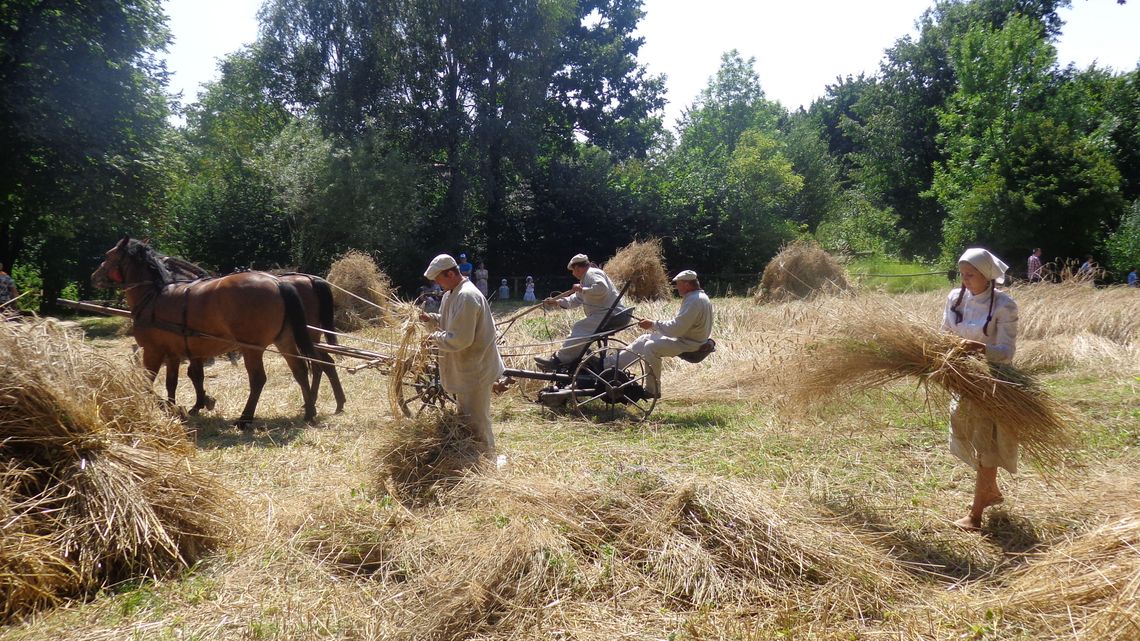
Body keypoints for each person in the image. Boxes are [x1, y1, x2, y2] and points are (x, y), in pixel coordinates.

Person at [941, 248, 1019, 532]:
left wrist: (979, 349)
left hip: (992, 381)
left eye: (970, 274)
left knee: (986, 444)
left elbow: (1006, 352)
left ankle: (975, 516)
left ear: (986, 275)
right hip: (964, 379)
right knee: (967, 437)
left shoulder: (1004, 305)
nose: (964, 280)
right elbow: (944, 334)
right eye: (962, 274)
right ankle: (990, 491)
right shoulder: (954, 298)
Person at [419, 254, 505, 454]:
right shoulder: (452, 293)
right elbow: (449, 320)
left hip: (476, 366)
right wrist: (430, 318)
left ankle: (487, 458)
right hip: (467, 365)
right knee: (467, 414)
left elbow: (460, 338)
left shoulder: (467, 296)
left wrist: (432, 338)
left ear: (450, 273)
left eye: (438, 279)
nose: (437, 284)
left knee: (477, 418)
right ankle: (474, 455)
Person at [611, 270, 713, 398]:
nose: (677, 287)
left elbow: (677, 328)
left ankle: (652, 390)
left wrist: (653, 324)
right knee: (644, 339)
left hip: (689, 344)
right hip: (688, 340)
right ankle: (611, 365)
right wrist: (653, 325)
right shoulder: (699, 297)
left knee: (651, 346)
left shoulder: (693, 301)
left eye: (679, 284)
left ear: (687, 284)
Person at [534, 253, 620, 371]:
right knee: (580, 328)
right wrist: (557, 302)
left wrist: (581, 289)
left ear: (577, 268)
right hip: (607, 314)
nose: (573, 274)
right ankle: (569, 360)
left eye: (573, 270)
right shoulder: (586, 279)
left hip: (611, 314)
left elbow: (602, 288)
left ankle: (559, 360)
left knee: (580, 327)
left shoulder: (592, 273)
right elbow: (576, 299)